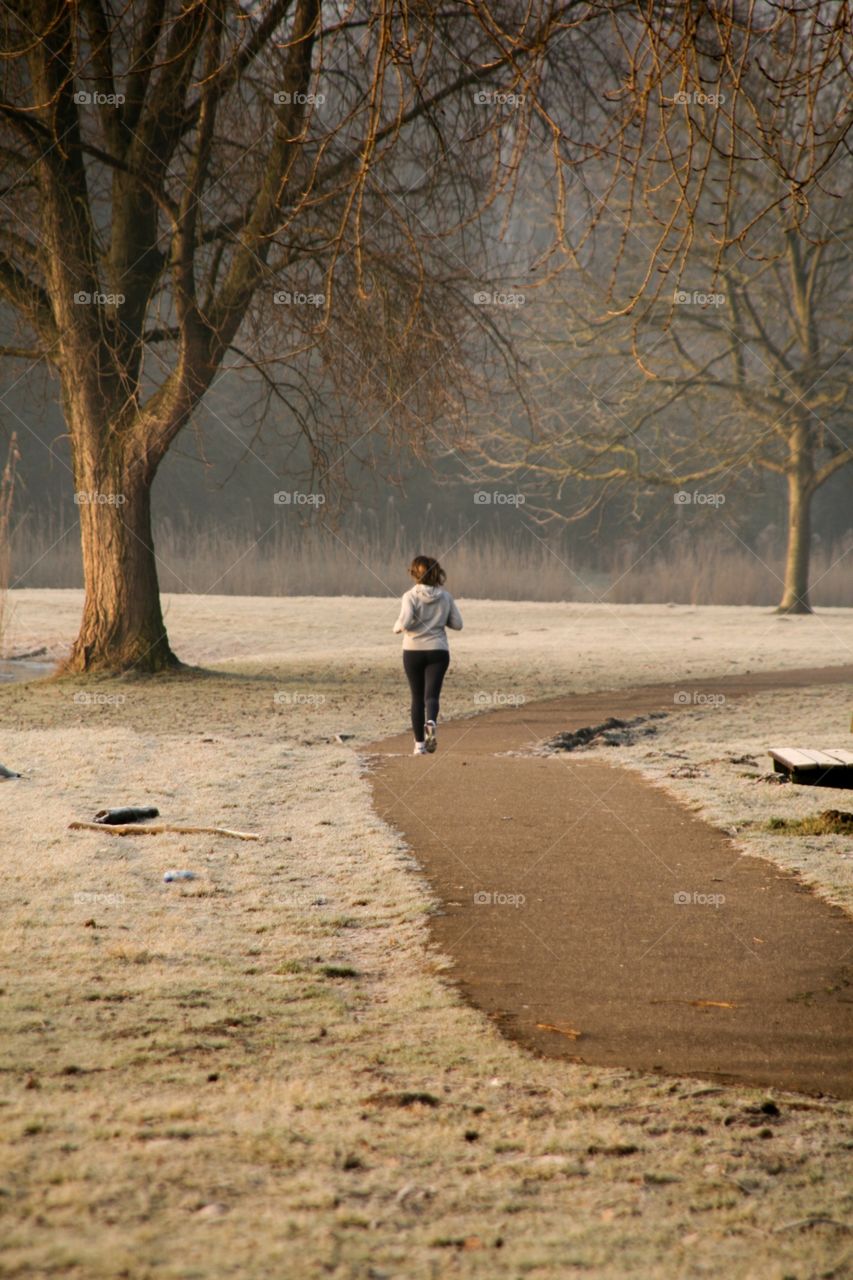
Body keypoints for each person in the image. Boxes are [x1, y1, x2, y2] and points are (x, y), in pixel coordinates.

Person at [393, 555, 463, 756]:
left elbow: (404, 621)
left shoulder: (410, 596)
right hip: (438, 651)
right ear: (436, 573)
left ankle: (419, 746)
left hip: (413, 651)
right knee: (431, 695)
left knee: (417, 697)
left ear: (415, 573)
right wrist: (439, 618)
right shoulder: (446, 597)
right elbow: (458, 624)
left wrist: (396, 628)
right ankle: (431, 721)